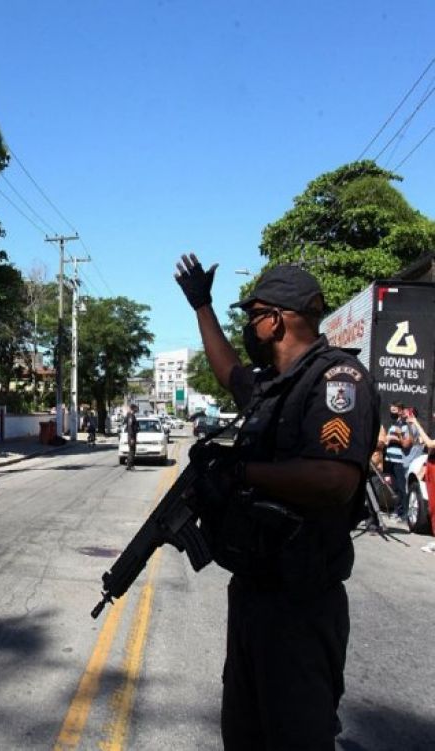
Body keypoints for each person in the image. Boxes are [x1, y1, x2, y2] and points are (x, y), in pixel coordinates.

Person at [174, 254, 379, 750]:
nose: (249, 326)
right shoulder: (271, 389)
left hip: (302, 605)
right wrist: (202, 306)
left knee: (296, 737)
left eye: (253, 315)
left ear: (277, 320)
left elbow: (334, 479)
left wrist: (241, 472)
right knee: (244, 734)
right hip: (253, 597)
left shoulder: (337, 381)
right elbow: (229, 373)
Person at [384, 402, 412, 519]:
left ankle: (404, 513)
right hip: (389, 458)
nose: (392, 413)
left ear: (400, 411)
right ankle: (397, 510)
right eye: (391, 411)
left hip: (399, 460)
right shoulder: (393, 424)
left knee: (401, 487)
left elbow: (406, 444)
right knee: (393, 487)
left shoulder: (405, 425)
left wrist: (396, 437)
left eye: (394, 411)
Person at [124, 404, 139, 470]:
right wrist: (132, 438)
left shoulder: (130, 415)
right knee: (132, 451)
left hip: (131, 436)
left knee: (131, 451)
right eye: (136, 409)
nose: (137, 410)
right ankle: (130, 465)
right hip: (131, 436)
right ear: (133, 409)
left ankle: (129, 465)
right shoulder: (130, 416)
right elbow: (130, 427)